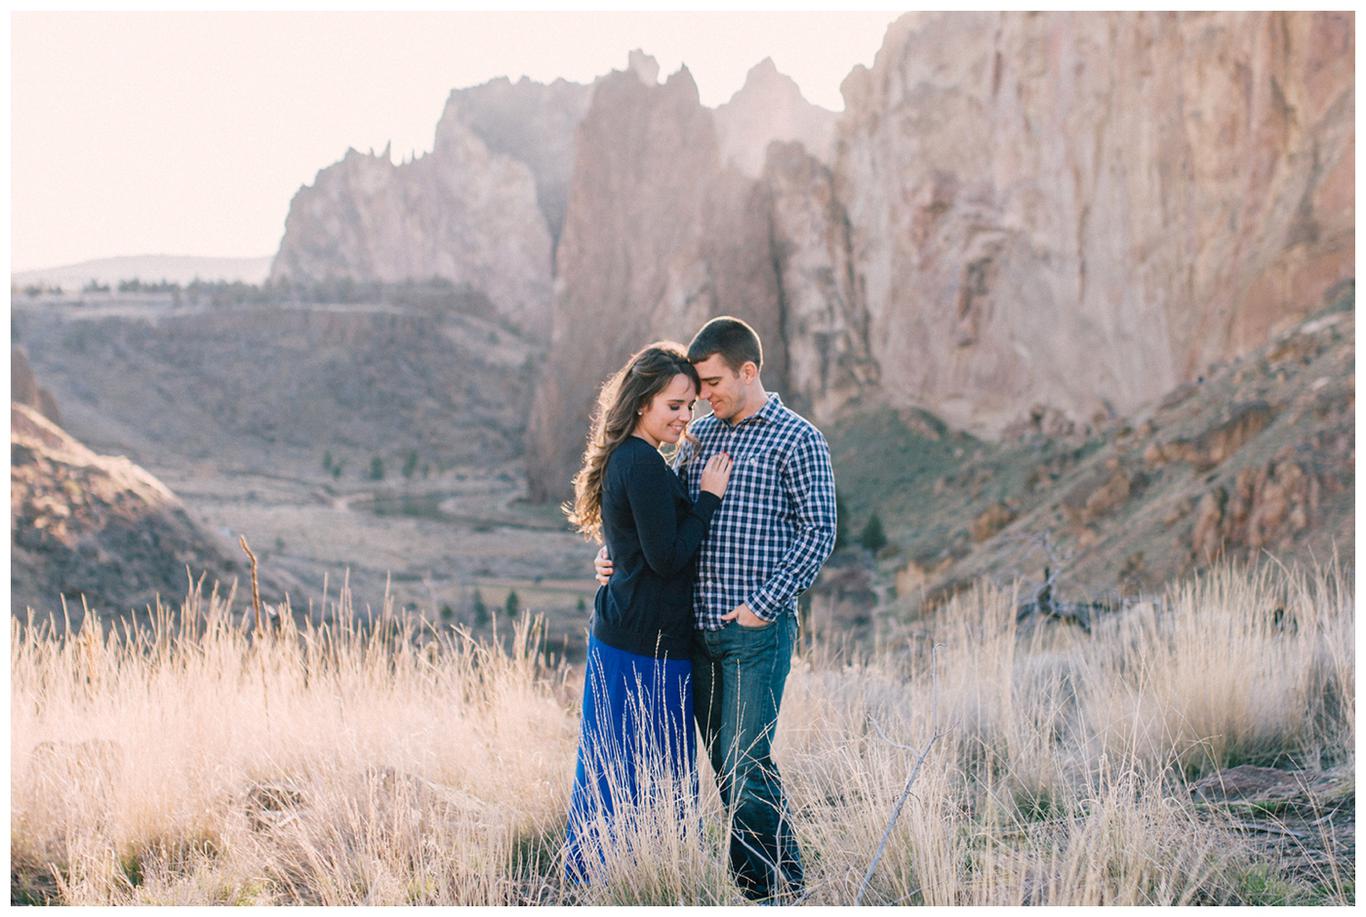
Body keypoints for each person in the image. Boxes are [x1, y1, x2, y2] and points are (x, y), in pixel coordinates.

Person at [595, 316, 837, 902]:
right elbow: (661, 518)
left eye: (712, 382)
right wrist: (614, 554)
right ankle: (761, 879)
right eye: (697, 388)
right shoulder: (703, 437)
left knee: (744, 759)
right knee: (727, 769)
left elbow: (819, 531)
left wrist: (762, 606)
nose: (702, 397)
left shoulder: (797, 438)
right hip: (694, 633)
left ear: (747, 371)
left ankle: (775, 889)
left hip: (755, 633)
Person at [561, 342, 734, 884]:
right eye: (674, 406)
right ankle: (636, 879)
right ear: (642, 404)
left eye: (690, 406)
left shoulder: (635, 459)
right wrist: (708, 498)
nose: (685, 417)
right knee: (649, 770)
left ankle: (614, 875)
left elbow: (634, 545)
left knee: (616, 764)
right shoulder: (642, 464)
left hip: (628, 634)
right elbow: (667, 558)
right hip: (646, 646)